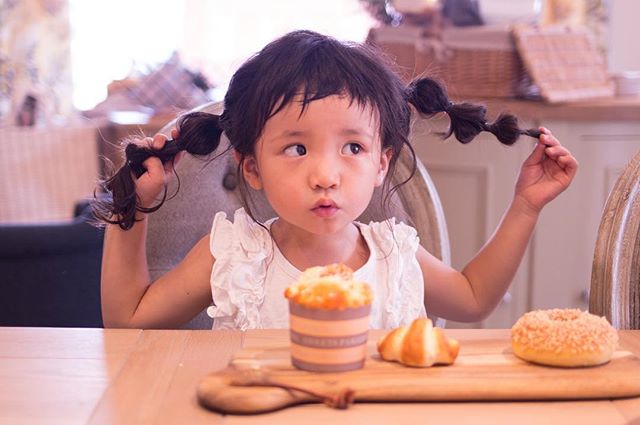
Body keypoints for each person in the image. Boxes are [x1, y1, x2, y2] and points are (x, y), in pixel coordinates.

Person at [95, 30, 577, 330]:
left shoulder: (395, 256)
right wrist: (133, 209)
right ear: (252, 167)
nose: (326, 176)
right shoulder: (234, 255)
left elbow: (473, 299)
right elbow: (127, 319)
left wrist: (525, 207)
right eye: (297, 148)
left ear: (382, 163)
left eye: (353, 148)